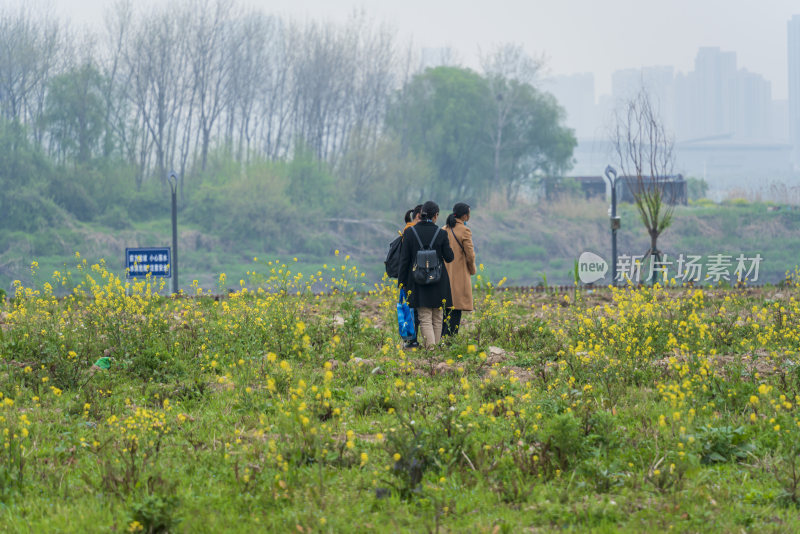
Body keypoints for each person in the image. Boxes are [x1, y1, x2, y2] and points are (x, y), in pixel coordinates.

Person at [397, 201, 454, 348]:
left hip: (418, 281)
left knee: (425, 317)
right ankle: (434, 351)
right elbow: (449, 257)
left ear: (421, 214)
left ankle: (432, 351)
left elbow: (404, 260)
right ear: (435, 215)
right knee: (438, 317)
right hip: (439, 280)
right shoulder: (441, 233)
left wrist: (402, 283)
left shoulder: (410, 232)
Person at [442, 203, 476, 337]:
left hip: (445, 274)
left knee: (446, 310)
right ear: (464, 216)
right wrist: (472, 269)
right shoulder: (464, 230)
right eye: (469, 213)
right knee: (456, 308)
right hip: (459, 274)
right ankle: (450, 340)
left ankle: (442, 339)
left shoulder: (444, 229)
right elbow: (470, 254)